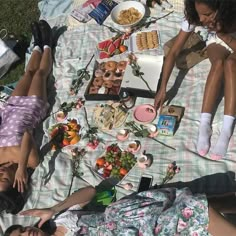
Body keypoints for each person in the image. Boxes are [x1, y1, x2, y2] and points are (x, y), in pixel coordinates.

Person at [154, 0, 236, 159]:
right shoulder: (195, 16)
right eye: (198, 13)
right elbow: (173, 52)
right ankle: (204, 124)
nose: (201, 19)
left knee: (231, 64)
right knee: (218, 63)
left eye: (207, 14)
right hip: (218, 37)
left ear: (222, 9)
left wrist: (223, 34)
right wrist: (163, 88)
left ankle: (226, 129)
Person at [4, 186, 236, 236]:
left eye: (23, 230)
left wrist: (54, 208)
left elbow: (89, 192)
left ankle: (229, 200)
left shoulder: (56, 220)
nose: (27, 234)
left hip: (129, 214)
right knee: (194, 210)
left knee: (192, 203)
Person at [0, 20, 53, 214]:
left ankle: (37, 44)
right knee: (39, 75)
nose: (1, 174)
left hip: (10, 109)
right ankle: (47, 44)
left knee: (27, 74)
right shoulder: (31, 162)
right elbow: (28, 135)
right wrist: (21, 166)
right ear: (16, 182)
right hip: (31, 109)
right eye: (5, 179)